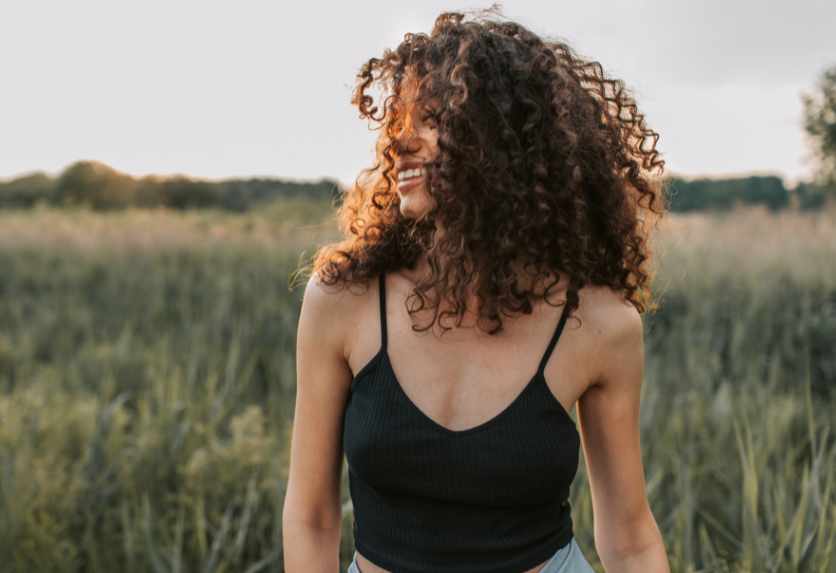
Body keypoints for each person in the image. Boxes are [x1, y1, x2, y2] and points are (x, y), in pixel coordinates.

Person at [283, 9, 671, 573]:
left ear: (504, 140)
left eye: (433, 117)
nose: (401, 142)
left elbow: (631, 538)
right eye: (399, 121)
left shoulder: (598, 324)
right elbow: (312, 515)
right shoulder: (344, 297)